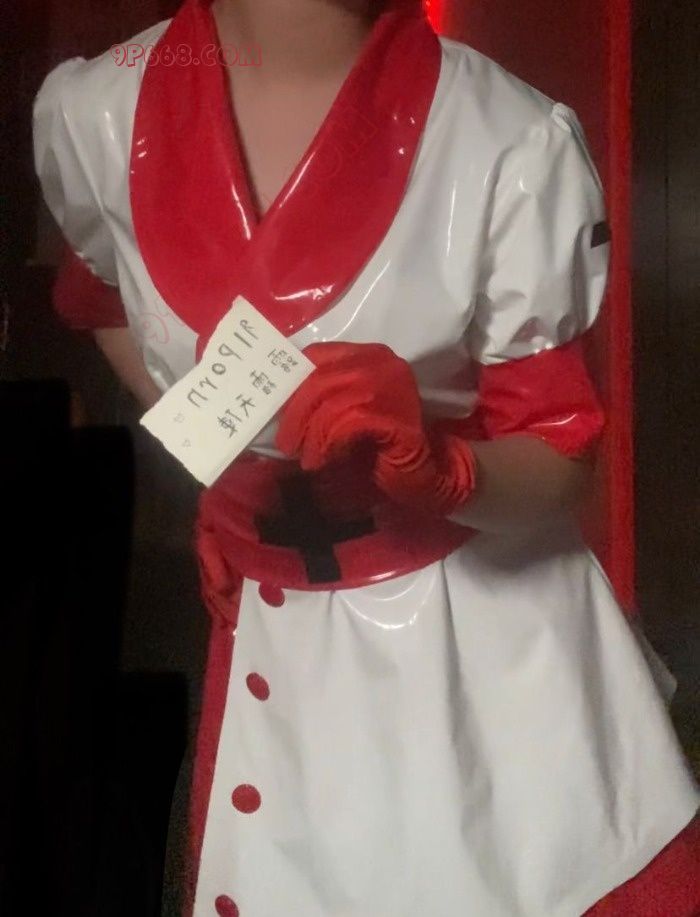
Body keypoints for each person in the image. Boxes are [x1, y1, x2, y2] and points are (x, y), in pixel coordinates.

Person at [34, 1, 699, 915]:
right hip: (272, 630)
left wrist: (447, 469)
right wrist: (230, 463)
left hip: (480, 658)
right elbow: (102, 302)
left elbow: (559, 451)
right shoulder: (95, 114)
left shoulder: (507, 141)